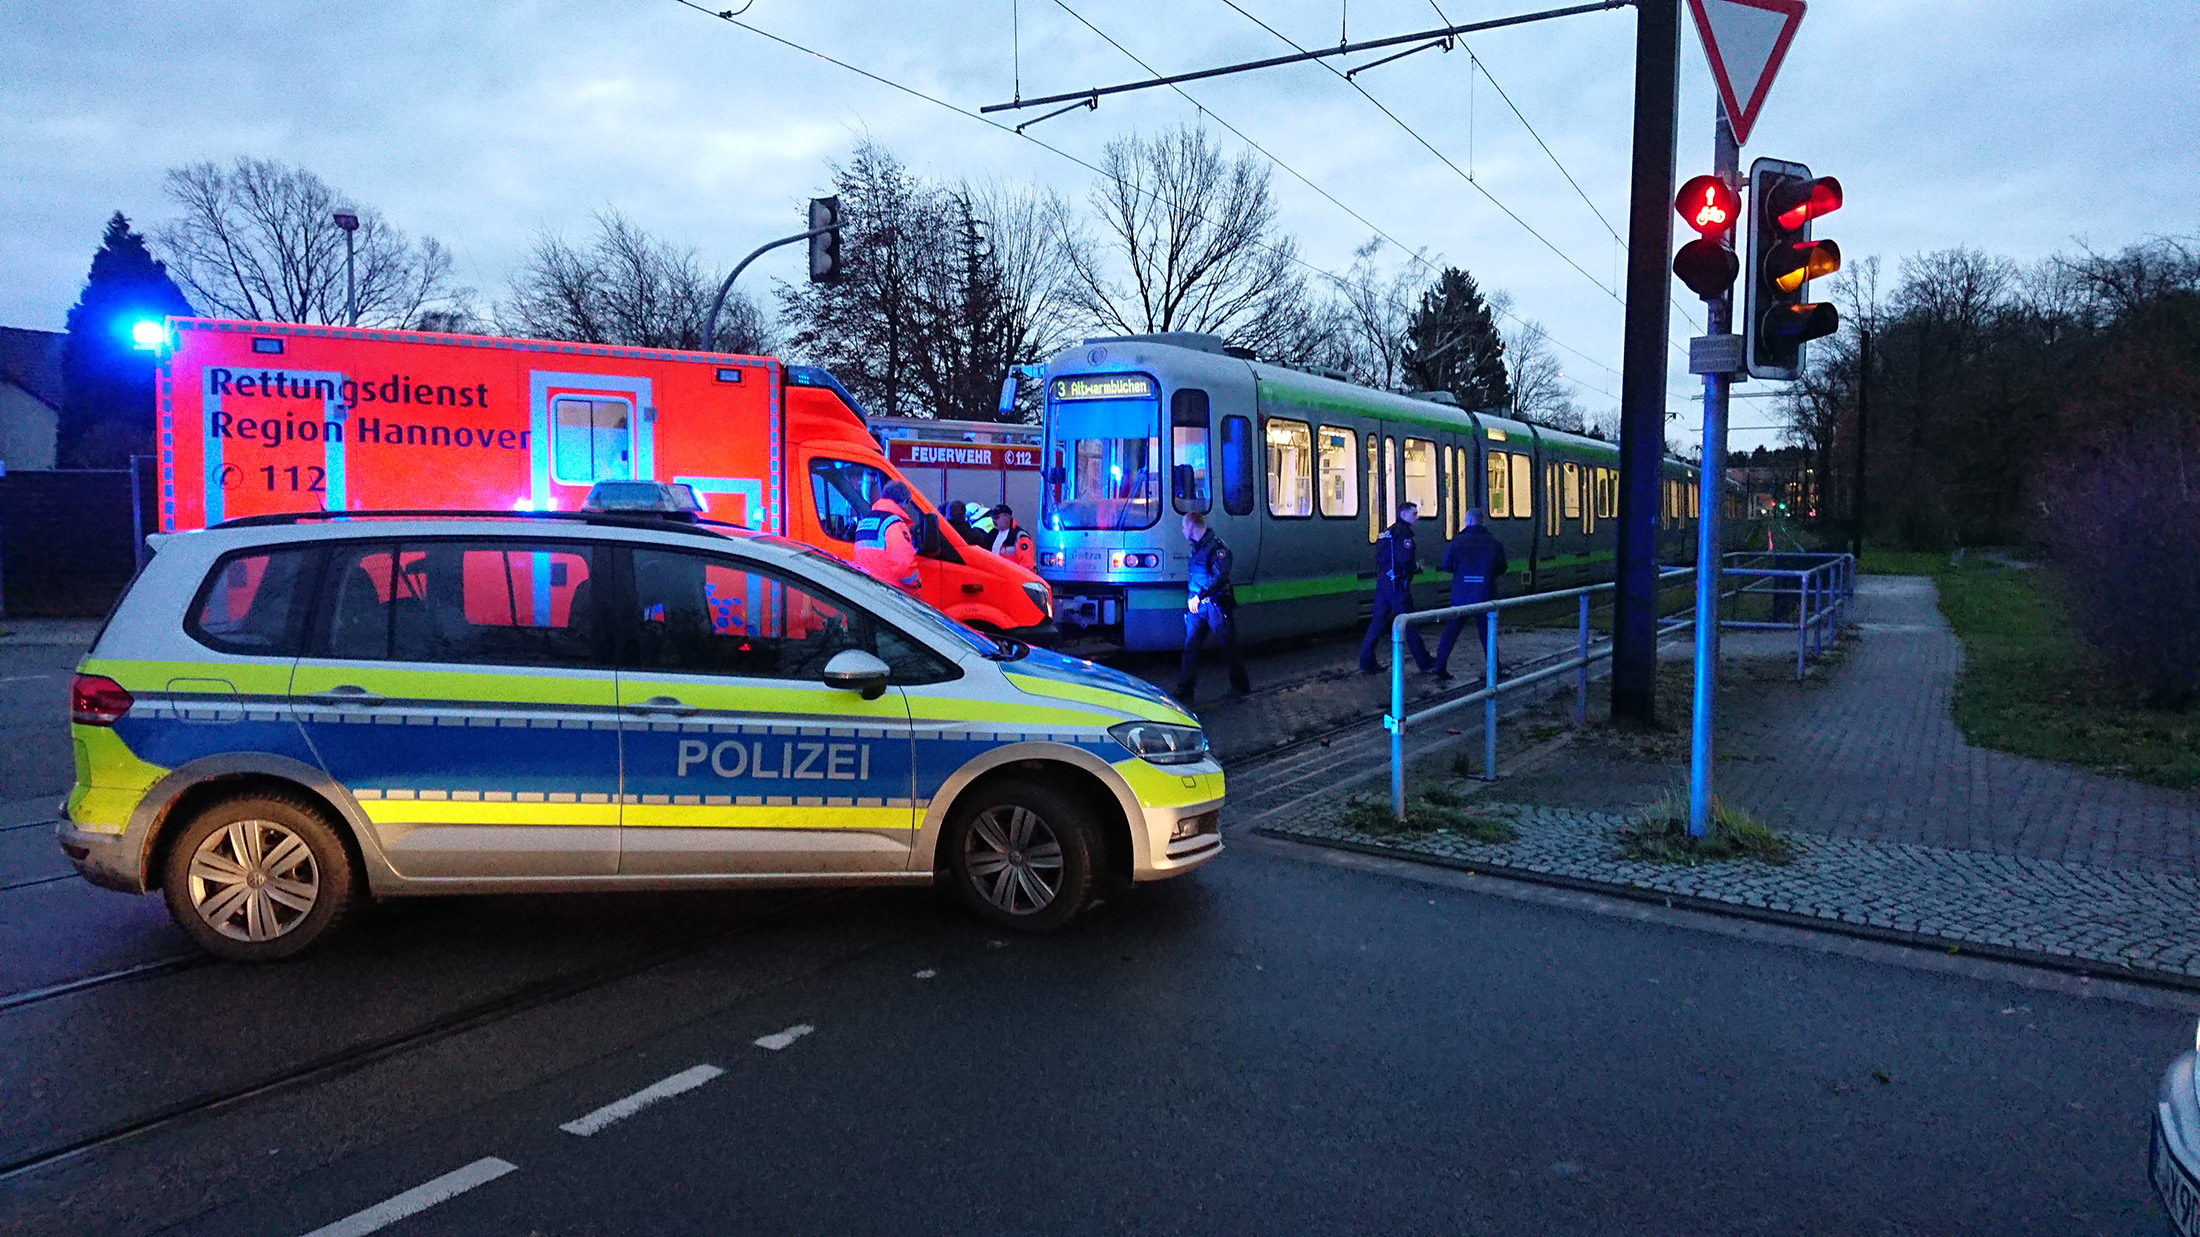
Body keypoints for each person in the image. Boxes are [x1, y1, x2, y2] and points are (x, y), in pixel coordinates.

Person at [1174, 510, 1249, 705]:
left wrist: (1199, 596)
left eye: (1184, 527)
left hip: (1215, 605)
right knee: (1190, 647)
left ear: (1191, 526)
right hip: (1198, 606)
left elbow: (1219, 576)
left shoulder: (1217, 548)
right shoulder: (1197, 547)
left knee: (1228, 646)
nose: (1182, 531)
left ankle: (1240, 686)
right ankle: (1185, 690)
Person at [1431, 507, 1511, 680]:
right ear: (1482, 521)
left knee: (1451, 631)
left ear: (1467, 521)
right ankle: (1494, 668)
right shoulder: (1494, 543)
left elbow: (1445, 565)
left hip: (1461, 594)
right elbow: (1502, 567)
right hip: (1484, 593)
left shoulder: (1456, 542)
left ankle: (1439, 664)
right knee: (1487, 634)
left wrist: (1462, 573)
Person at [1359, 501, 1436, 675]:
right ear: (1403, 515)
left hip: (1384, 581)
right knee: (1408, 622)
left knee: (1378, 621)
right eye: (1414, 514)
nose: (1417, 517)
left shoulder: (1389, 532)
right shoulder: (1404, 534)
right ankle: (1424, 662)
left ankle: (1366, 660)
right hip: (1398, 585)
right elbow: (1405, 560)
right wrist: (1417, 568)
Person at [853, 479, 922, 593]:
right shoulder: (894, 524)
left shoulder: (865, 523)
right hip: (892, 594)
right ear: (904, 502)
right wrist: (916, 582)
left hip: (868, 590)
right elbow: (904, 565)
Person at [985, 504, 1036, 571]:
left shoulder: (1020, 537)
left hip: (1012, 578)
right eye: (992, 518)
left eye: (996, 517)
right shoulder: (992, 534)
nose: (993, 520)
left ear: (1007, 517)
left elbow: (1027, 565)